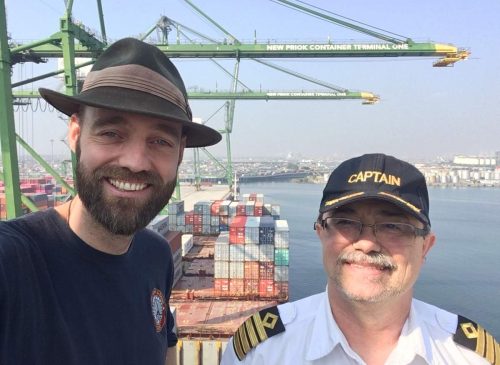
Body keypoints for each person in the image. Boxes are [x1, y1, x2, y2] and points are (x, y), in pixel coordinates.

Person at [0, 38, 221, 365]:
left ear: (180, 153)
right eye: (111, 133)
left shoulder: (156, 255)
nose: (135, 162)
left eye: (159, 141)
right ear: (75, 133)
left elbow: (166, 352)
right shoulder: (12, 263)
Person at [221, 153, 499, 365]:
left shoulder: (471, 357)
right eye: (345, 222)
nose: (366, 243)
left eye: (393, 226)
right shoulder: (259, 352)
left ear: (426, 246)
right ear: (320, 232)